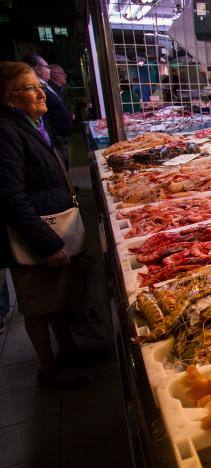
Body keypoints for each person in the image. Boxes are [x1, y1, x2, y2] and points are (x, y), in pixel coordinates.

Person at [0, 62, 90, 388]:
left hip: (51, 223)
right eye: (31, 88)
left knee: (58, 296)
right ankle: (49, 371)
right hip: (33, 234)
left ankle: (68, 350)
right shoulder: (7, 132)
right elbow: (10, 197)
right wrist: (47, 243)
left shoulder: (31, 123)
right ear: (9, 98)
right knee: (39, 305)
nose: (42, 93)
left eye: (39, 86)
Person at [21, 54, 73, 167]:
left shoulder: (51, 86)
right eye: (31, 89)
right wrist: (55, 135)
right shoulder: (16, 129)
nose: (41, 94)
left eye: (42, 88)